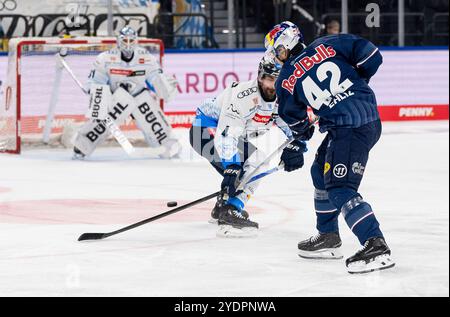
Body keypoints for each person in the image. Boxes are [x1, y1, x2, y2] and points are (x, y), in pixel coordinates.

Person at [265, 21, 395, 274]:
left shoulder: (285, 81)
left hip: (349, 129)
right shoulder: (329, 43)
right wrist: (356, 84)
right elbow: (372, 56)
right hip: (364, 118)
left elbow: (298, 122)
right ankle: (328, 237)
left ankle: (375, 244)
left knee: (340, 187)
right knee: (319, 171)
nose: (275, 55)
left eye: (276, 49)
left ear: (287, 42)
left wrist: (298, 141)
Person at [189, 56, 305, 238]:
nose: (272, 85)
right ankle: (231, 209)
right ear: (260, 76)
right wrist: (232, 167)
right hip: (205, 131)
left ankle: (224, 205)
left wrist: (298, 145)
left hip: (226, 134)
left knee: (250, 166)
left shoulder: (281, 97)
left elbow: (291, 126)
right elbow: (227, 135)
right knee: (253, 162)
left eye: (277, 79)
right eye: (268, 78)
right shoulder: (244, 96)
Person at [73, 26, 181, 159]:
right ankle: (81, 147)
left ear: (136, 41)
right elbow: (96, 80)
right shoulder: (105, 58)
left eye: (131, 40)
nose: (128, 44)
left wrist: (166, 86)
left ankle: (169, 148)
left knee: (155, 123)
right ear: (119, 41)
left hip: (138, 96)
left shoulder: (146, 58)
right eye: (125, 40)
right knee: (100, 124)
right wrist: (93, 90)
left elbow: (156, 77)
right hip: (117, 99)